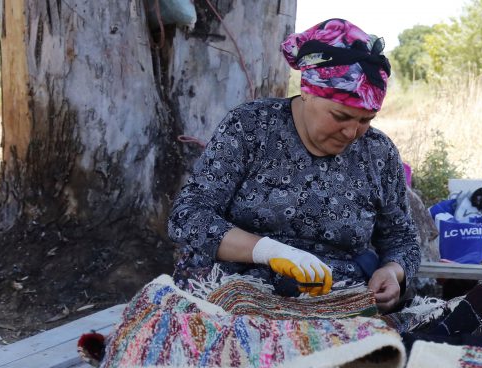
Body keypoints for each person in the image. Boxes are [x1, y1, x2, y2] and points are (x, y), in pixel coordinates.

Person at [168, 18, 419, 313]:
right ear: (309, 92)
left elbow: (402, 239)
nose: (352, 133)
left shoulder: (378, 152)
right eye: (340, 116)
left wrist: (392, 272)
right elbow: (187, 217)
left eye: (365, 120)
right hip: (231, 292)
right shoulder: (251, 127)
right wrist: (268, 251)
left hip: (335, 303)